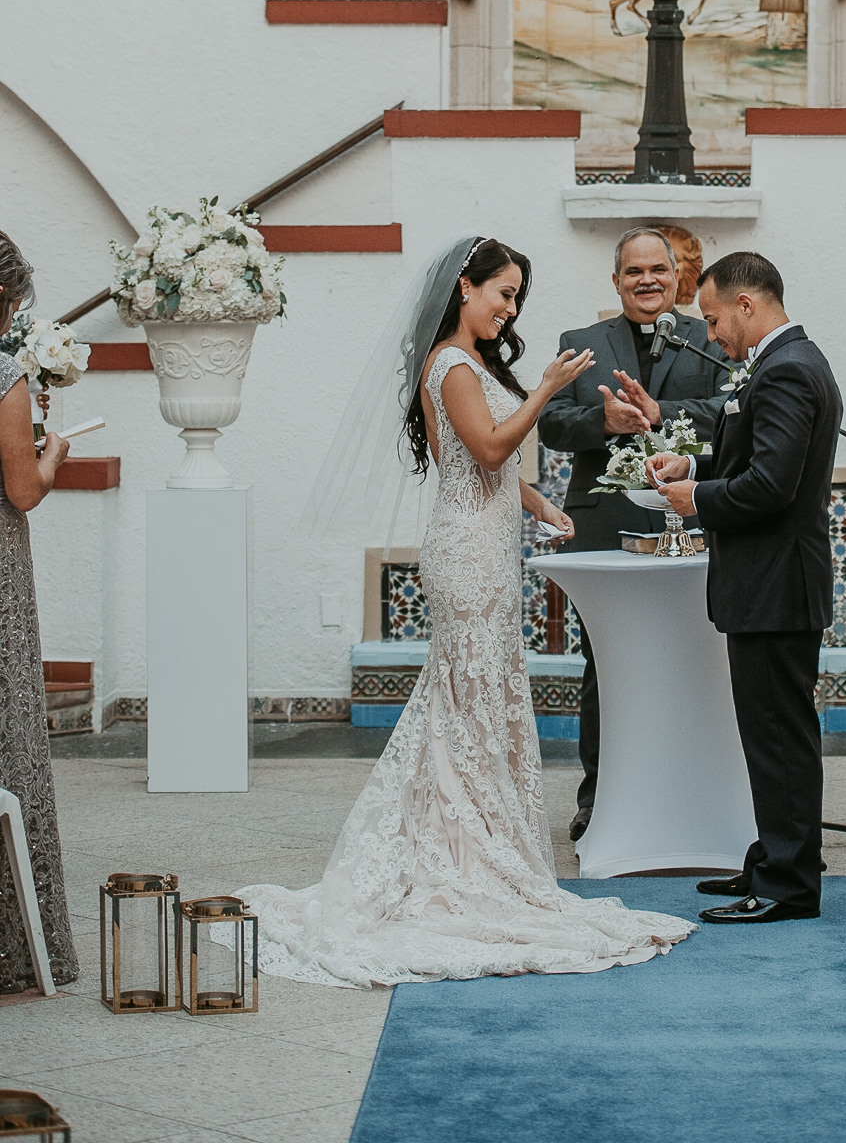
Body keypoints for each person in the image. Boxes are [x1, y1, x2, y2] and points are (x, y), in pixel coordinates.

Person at [235, 235, 694, 985]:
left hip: (489, 543)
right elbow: (483, 451)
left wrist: (540, 500)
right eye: (502, 292)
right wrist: (545, 389)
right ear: (464, 288)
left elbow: (494, 465)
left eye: (515, 296)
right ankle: (459, 850)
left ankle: (469, 839)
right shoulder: (449, 365)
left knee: (475, 696)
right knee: (462, 696)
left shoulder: (474, 363)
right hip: (465, 552)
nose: (509, 307)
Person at [649, 250, 842, 926]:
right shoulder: (787, 362)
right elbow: (758, 457)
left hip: (775, 583)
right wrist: (695, 460)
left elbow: (771, 485)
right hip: (772, 581)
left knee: (779, 735)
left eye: (712, 318)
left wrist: (695, 495)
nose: (710, 334)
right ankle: (773, 859)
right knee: (772, 731)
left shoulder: (788, 369)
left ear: (747, 305)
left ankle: (789, 885)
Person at [538, 227, 726, 843]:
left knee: (698, 657)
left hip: (690, 517)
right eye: (633, 272)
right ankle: (601, 795)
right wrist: (604, 420)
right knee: (606, 663)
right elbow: (553, 425)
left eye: (659, 271)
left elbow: (730, 413)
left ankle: (695, 787)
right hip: (605, 521)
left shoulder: (710, 338)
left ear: (679, 279)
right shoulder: (583, 343)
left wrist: (660, 415)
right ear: (616, 280)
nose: (647, 281)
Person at [0, 232, 78, 994]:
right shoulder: (3, 374)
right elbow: (21, 492)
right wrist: (50, 453)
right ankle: (16, 948)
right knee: (8, 738)